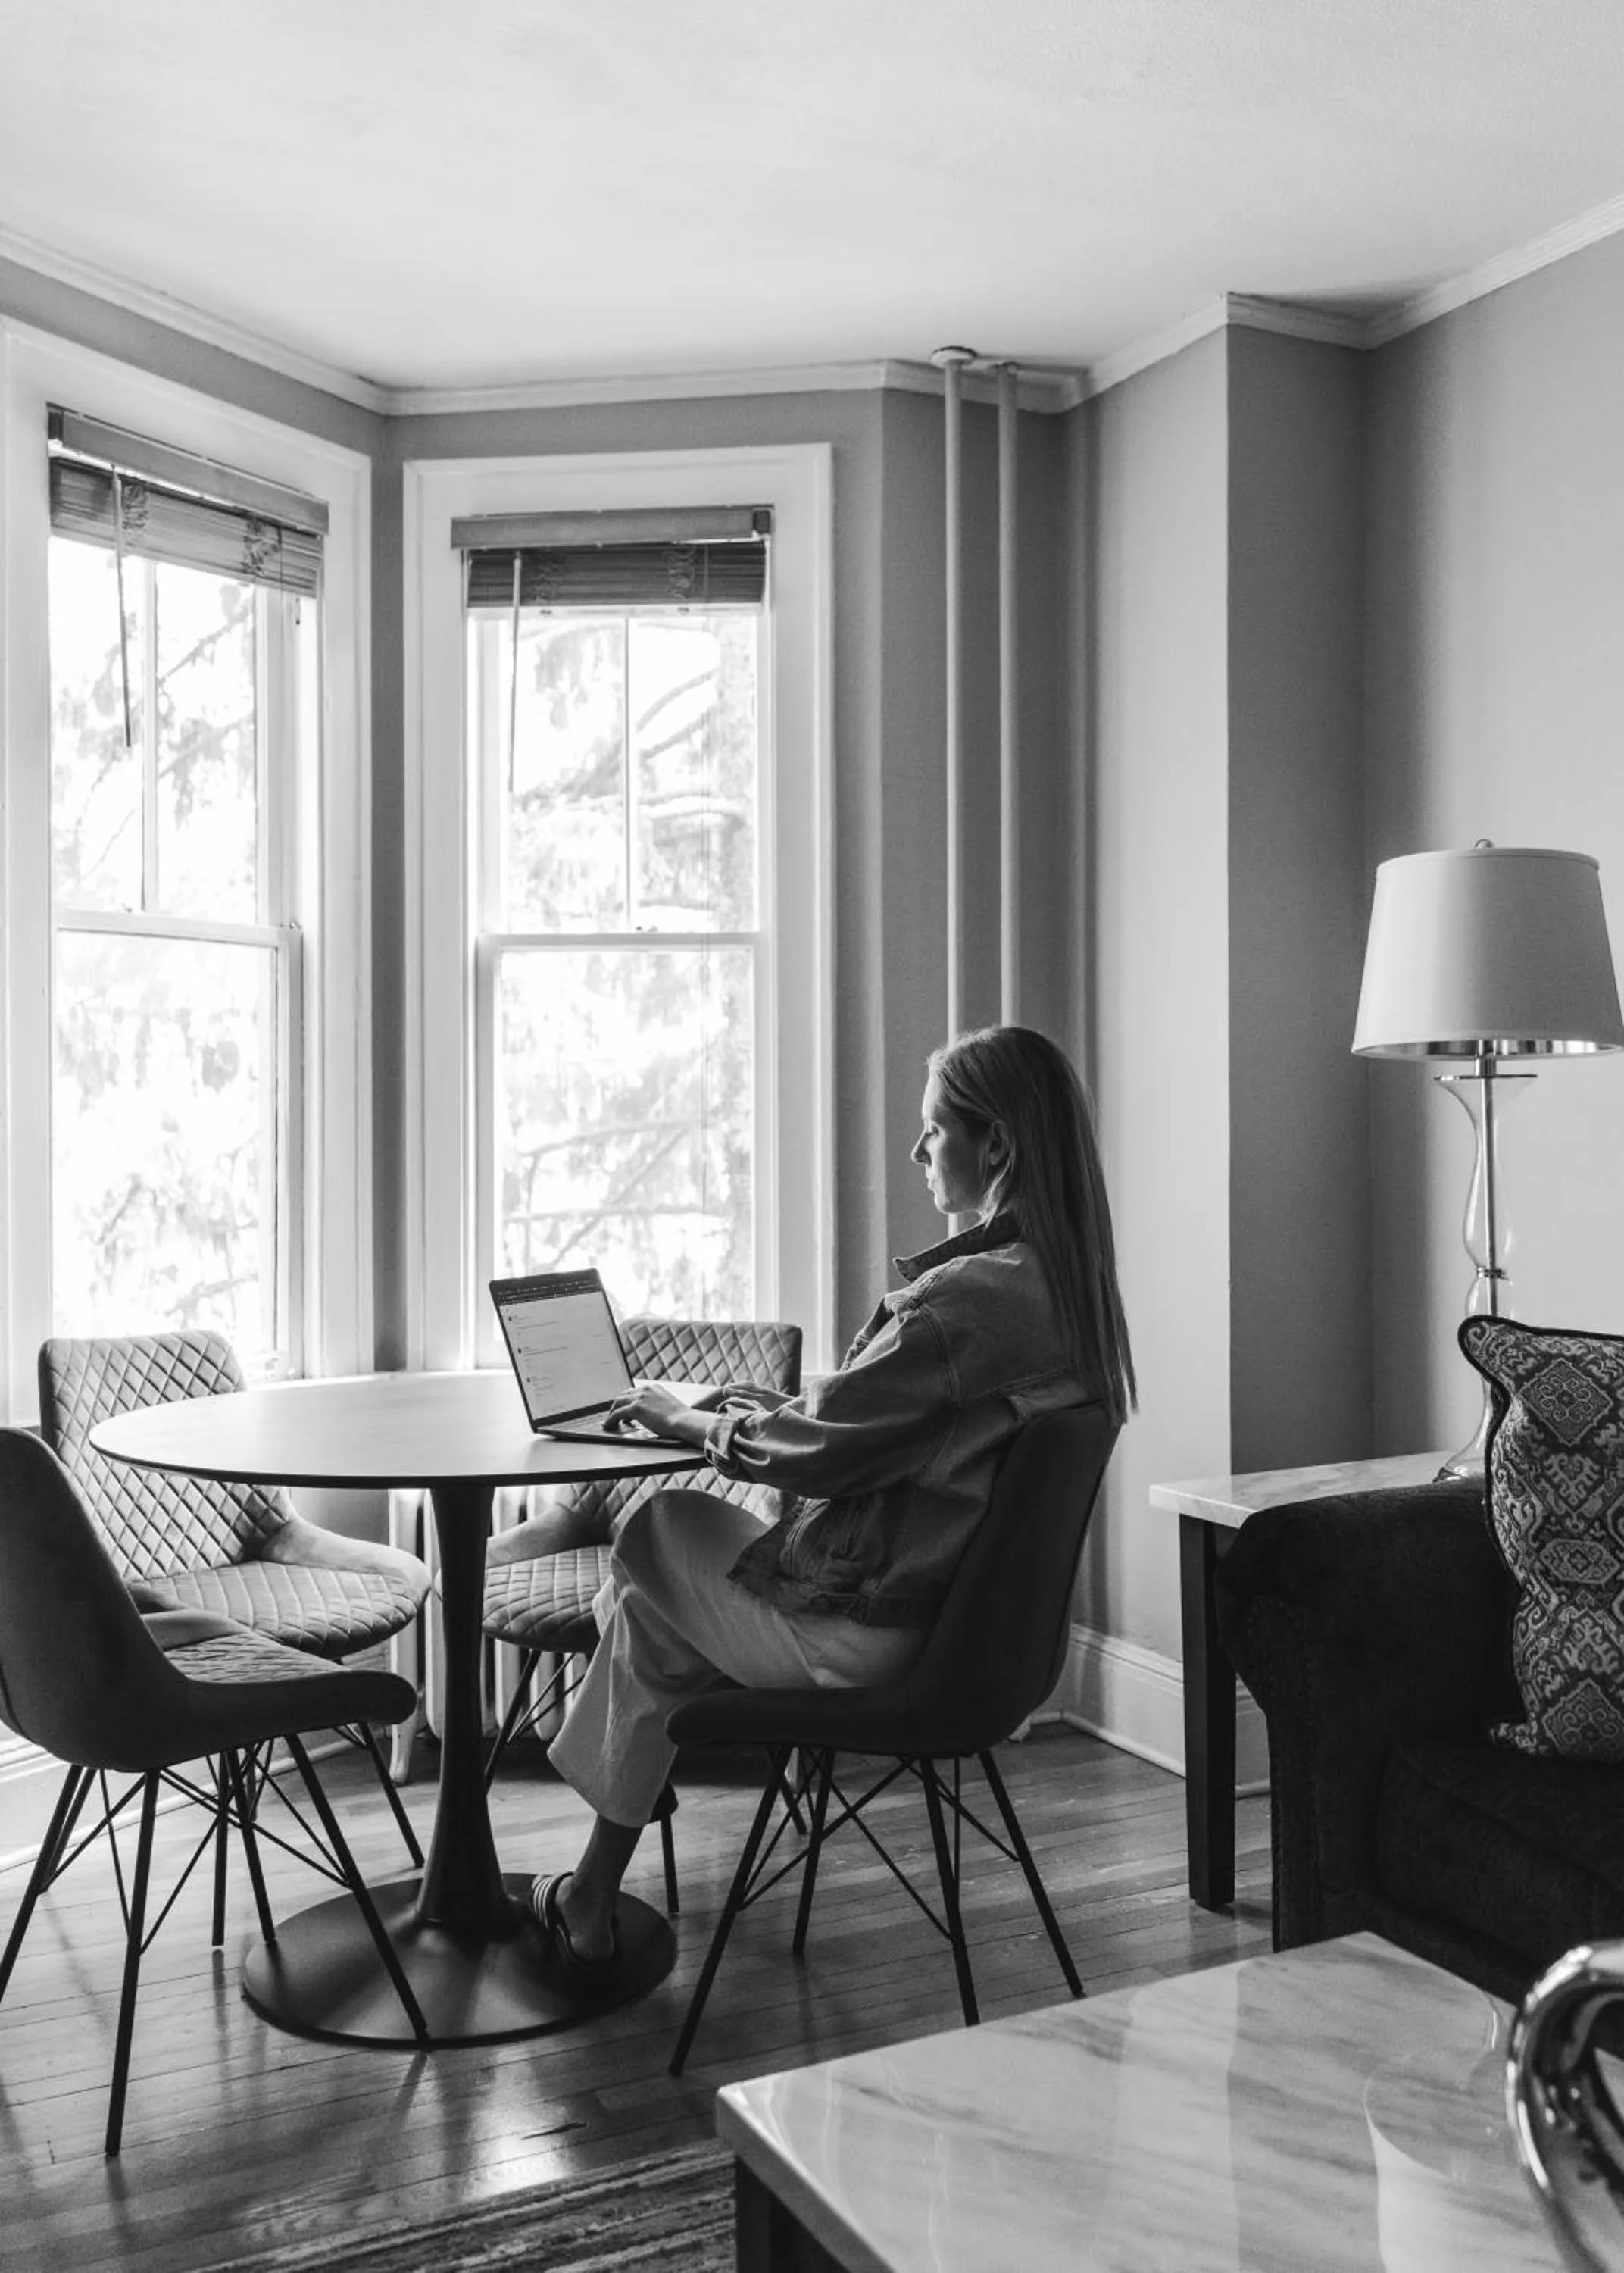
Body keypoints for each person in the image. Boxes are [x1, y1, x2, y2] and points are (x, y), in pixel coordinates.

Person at [529, 1022, 1135, 1973]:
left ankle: (585, 1859)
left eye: (932, 1131)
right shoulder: (1064, 1291)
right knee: (652, 1622)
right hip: (962, 1643)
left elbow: (814, 1459)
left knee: (655, 1527)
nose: (916, 1152)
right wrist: (768, 1409)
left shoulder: (962, 1302)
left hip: (871, 1636)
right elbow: (906, 1438)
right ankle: (589, 1902)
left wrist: (687, 1424)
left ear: (996, 1147)